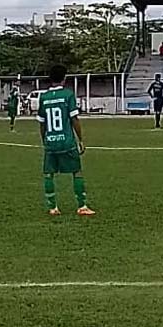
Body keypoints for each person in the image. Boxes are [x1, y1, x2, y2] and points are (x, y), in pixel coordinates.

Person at [38, 65, 94, 217]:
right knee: (77, 172)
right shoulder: (68, 95)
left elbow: (42, 123)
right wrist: (80, 139)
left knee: (48, 174)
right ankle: (82, 206)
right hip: (67, 142)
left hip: (51, 142)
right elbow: (74, 118)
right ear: (64, 78)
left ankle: (53, 207)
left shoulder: (43, 97)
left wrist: (45, 141)